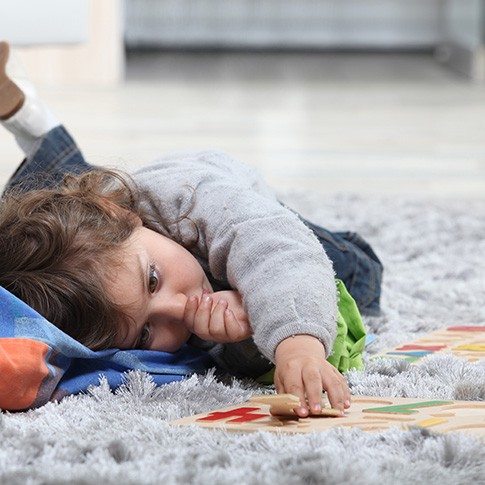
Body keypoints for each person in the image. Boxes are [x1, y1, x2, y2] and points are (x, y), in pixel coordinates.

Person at [0, 42, 383, 416]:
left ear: (117, 214)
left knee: (359, 275)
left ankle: (40, 131)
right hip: (114, 214)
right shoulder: (106, 242)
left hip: (242, 211)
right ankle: (35, 123)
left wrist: (297, 346)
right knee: (40, 223)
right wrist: (244, 336)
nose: (180, 308)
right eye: (146, 334)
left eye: (152, 280)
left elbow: (280, 252)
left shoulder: (195, 200)